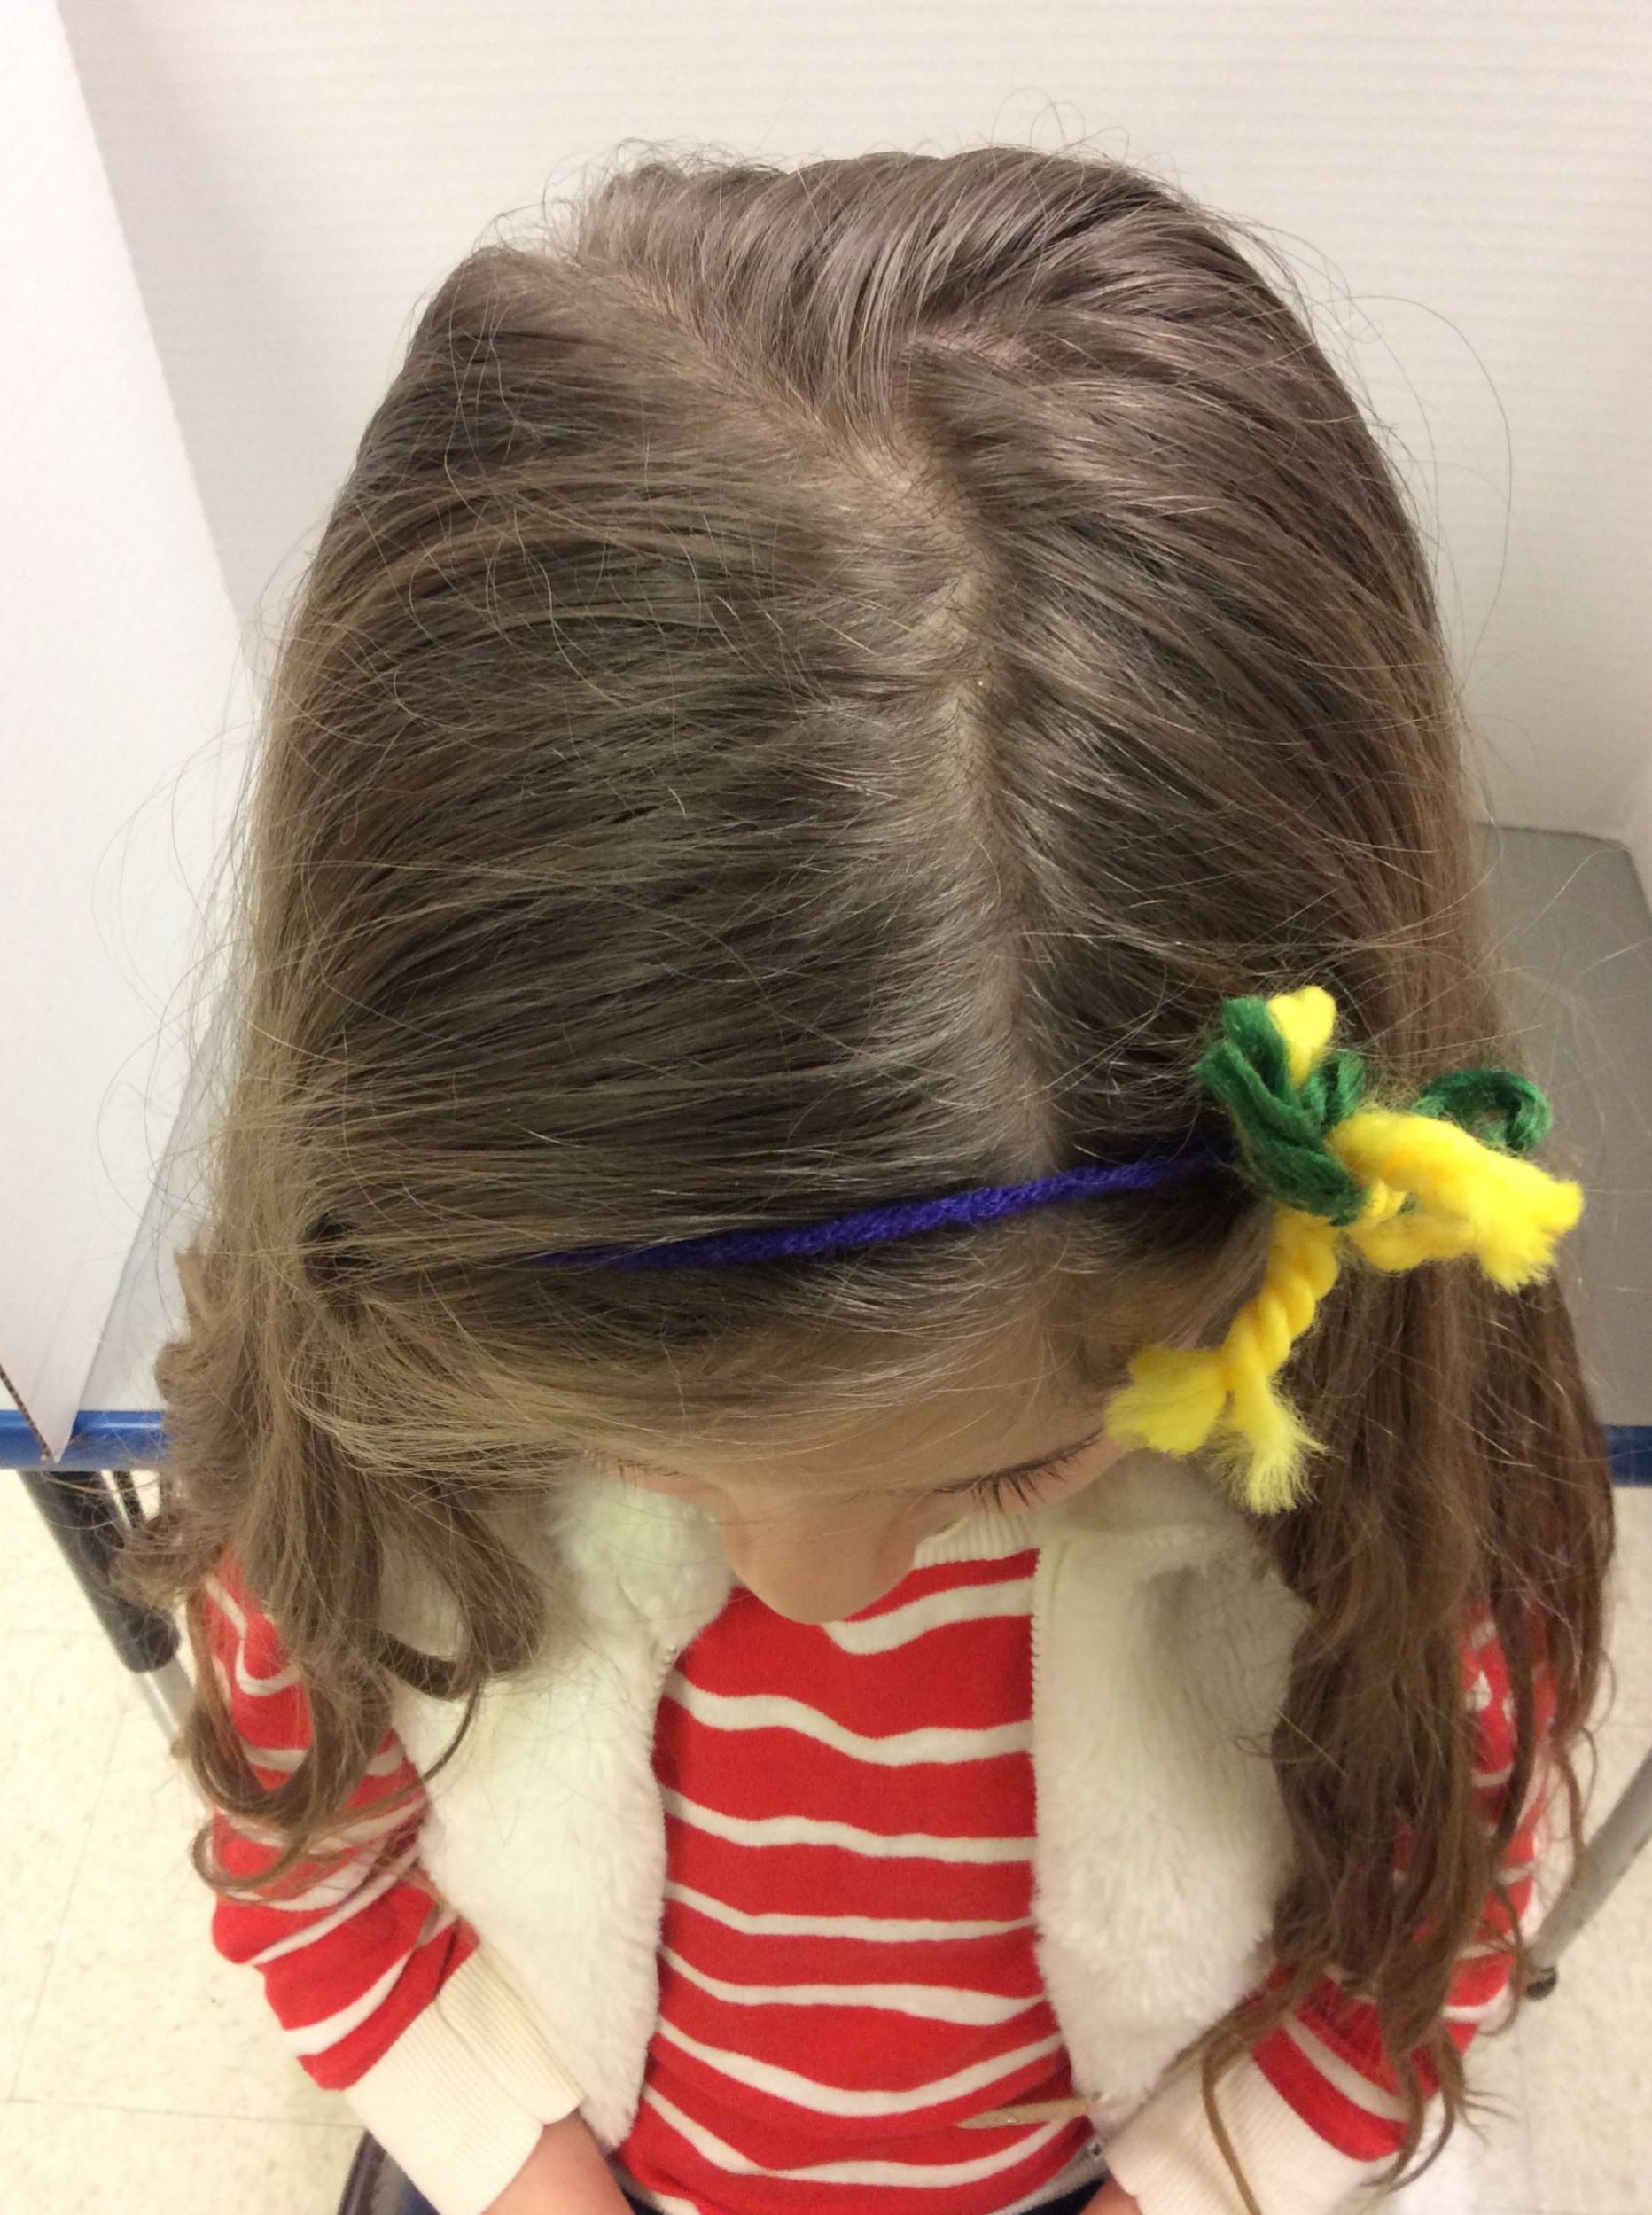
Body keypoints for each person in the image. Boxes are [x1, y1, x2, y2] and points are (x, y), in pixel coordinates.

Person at [118, 144, 1615, 2215]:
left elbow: (1414, 1927)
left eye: (1011, 1462)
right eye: (648, 1449)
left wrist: (1186, 2183)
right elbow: (310, 1858)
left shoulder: (1381, 1487)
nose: (815, 1591)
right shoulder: (376, 1413)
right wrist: (524, 2168)